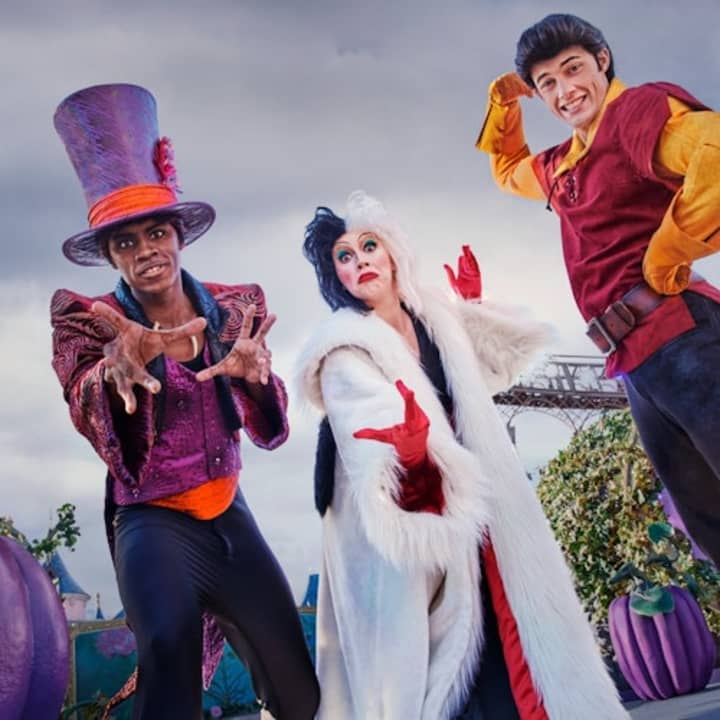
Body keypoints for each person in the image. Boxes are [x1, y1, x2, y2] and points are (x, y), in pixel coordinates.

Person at [296, 190, 627, 719]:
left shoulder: (436, 320)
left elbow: (495, 372)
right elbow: (370, 452)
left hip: (484, 515)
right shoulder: (343, 353)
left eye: (369, 246)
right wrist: (409, 454)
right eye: (344, 256)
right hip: (415, 527)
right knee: (434, 675)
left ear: (393, 252)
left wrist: (471, 309)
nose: (360, 262)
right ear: (336, 276)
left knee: (517, 647)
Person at [50, 83, 319, 720]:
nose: (146, 251)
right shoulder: (90, 320)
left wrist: (256, 378)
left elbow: (272, 428)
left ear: (178, 236)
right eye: (126, 242)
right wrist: (116, 374)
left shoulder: (235, 308)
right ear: (110, 255)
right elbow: (82, 394)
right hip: (151, 522)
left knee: (300, 691)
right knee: (168, 654)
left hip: (228, 512)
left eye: (157, 232)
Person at [475, 13, 720, 569]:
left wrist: (666, 253)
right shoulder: (564, 166)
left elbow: (714, 151)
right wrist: (503, 104)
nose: (564, 91)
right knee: (710, 523)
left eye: (573, 69)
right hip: (636, 362)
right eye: (547, 83)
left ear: (602, 60)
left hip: (686, 336)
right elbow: (508, 170)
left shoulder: (638, 113)